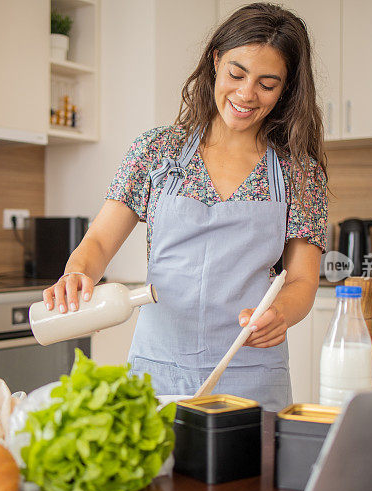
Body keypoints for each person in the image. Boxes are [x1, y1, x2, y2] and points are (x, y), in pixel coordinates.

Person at [41, 3, 328, 411]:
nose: (246, 94)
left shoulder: (298, 171)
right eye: (236, 73)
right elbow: (101, 242)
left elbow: (302, 280)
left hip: (252, 376)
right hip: (159, 371)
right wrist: (77, 273)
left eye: (267, 83)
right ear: (215, 62)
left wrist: (280, 313)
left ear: (287, 88)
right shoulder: (158, 150)